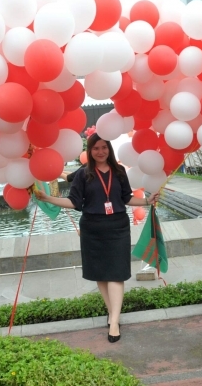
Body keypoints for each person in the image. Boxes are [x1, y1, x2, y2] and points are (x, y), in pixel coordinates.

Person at [36, 133, 159, 343]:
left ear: (108, 149)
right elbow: (74, 202)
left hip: (118, 227)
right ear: (90, 151)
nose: (100, 152)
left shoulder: (119, 171)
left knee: (116, 274)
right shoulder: (84, 174)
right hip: (92, 228)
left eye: (104, 147)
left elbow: (126, 198)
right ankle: (114, 315)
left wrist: (147, 201)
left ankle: (113, 323)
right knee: (101, 274)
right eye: (96, 148)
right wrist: (48, 198)